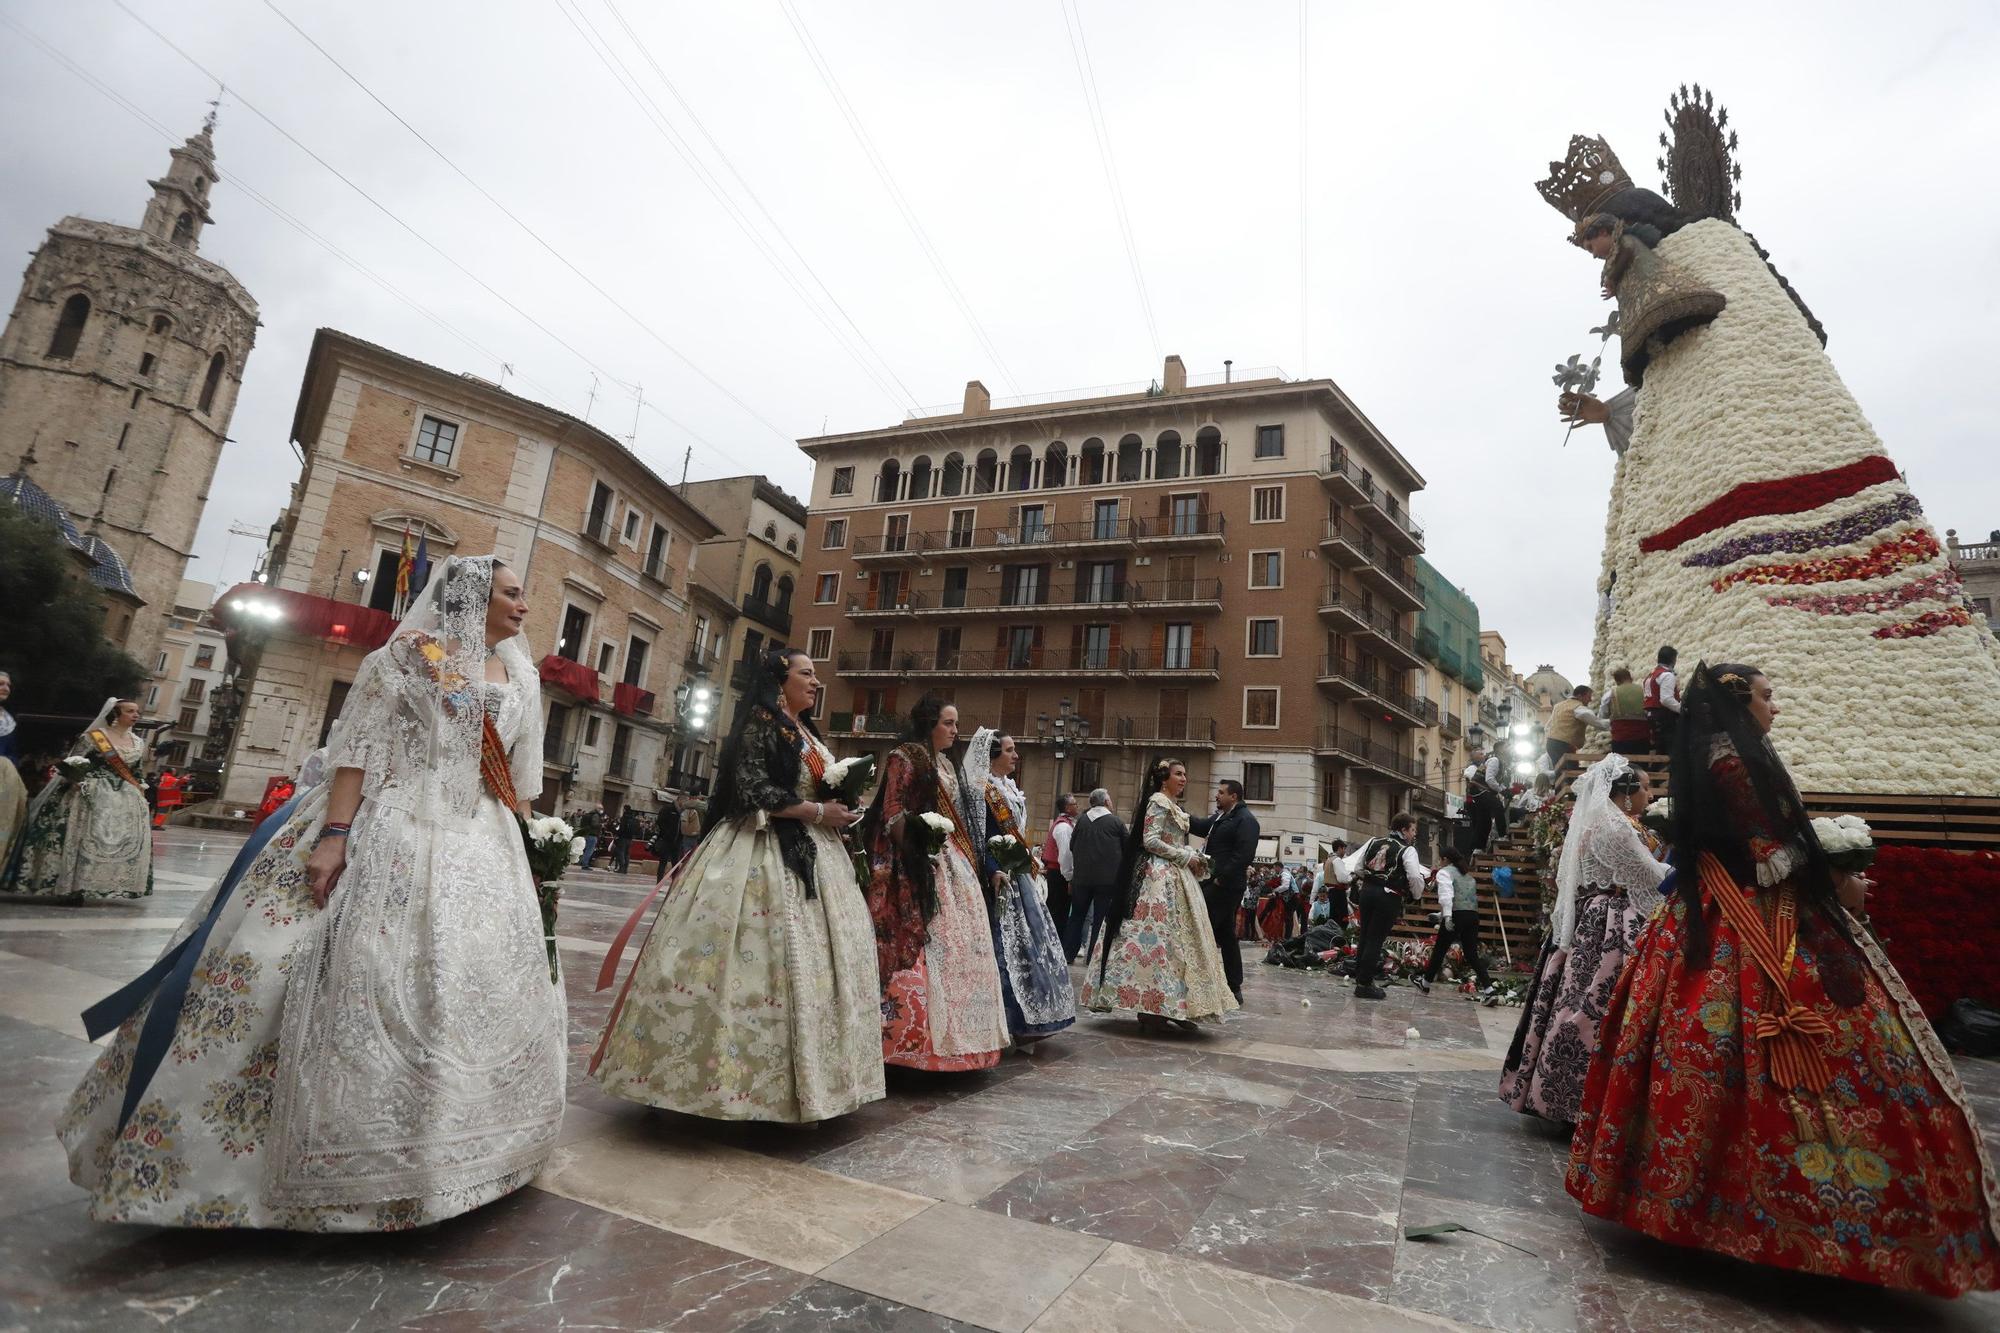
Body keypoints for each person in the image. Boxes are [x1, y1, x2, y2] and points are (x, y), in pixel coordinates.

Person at [58, 555, 566, 1229]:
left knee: (470, 987)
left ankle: (465, 1156)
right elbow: (355, 748)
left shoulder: (522, 674)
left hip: (485, 839)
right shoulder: (409, 656)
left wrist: (535, 854)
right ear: (470, 600)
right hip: (396, 821)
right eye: (511, 593)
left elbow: (521, 782)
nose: (524, 607)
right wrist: (334, 834)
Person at [1567, 664, 1999, 1296]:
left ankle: (1688, 1197)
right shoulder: (1733, 763)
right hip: (1751, 918)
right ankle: (1805, 1215)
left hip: (1704, 914)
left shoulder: (1720, 758)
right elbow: (1769, 857)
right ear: (1740, 702)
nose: (1778, 708)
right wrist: (1836, 872)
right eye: (1769, 696)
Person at [593, 649, 885, 1122]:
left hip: (816, 852)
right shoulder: (761, 722)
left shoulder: (807, 732)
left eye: (815, 676)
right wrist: (816, 812)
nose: (815, 683)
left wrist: (839, 806)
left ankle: (813, 1081)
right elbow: (750, 792)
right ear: (779, 679)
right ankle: (717, 1082)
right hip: (756, 848)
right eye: (806, 674)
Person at [1499, 755, 1666, 1124]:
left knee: (1576, 999)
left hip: (1592, 920)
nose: (1651, 795)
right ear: (1625, 793)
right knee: (1598, 1004)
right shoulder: (1617, 828)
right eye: (1646, 787)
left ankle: (1558, 1095)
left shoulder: (1601, 822)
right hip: (1613, 922)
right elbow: (1652, 875)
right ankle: (1581, 1103)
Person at [858, 697, 1009, 1071]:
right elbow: (893, 811)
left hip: (950, 858)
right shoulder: (905, 757)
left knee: (963, 947)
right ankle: (910, 1046)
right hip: (916, 858)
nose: (955, 731)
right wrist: (915, 851)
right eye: (948, 723)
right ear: (929, 723)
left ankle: (964, 1044)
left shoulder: (945, 762)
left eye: (956, 724)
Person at [1083, 757, 1238, 1033]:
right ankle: (1153, 1006)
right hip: (1156, 879)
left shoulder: (1174, 806)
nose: (1184, 779)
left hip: (1176, 878)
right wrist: (1185, 855)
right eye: (1179, 774)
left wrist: (1191, 857)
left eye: (1185, 774)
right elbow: (1149, 840)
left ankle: (1180, 1005)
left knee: (1179, 943)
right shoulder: (1157, 801)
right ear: (1164, 777)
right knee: (1159, 944)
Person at [966, 729, 1076, 1044]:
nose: (1016, 756)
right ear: (993, 756)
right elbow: (982, 836)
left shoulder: (1009, 788)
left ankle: (1033, 1016)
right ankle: (1010, 1019)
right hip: (999, 874)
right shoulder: (982, 789)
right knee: (1005, 948)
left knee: (1032, 944)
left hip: (1018, 875)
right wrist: (994, 868)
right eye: (1010, 750)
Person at [4, 697, 153, 901]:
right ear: (115, 715)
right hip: (90, 791)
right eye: (130, 711)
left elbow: (135, 770)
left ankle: (103, 882)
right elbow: (76, 762)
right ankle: (72, 886)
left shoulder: (138, 741)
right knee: (81, 838)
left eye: (137, 711)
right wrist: (78, 778)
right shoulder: (95, 737)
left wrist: (140, 786)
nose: (136, 715)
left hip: (125, 795)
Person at [1188, 778, 1259, 1004]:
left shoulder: (1246, 820)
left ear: (1233, 796)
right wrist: (1177, 811)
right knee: (1226, 934)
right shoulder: (1221, 817)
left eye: (1220, 792)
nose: (1216, 796)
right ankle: (1233, 986)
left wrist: (1221, 878)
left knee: (1201, 926)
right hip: (1214, 882)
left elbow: (1244, 855)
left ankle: (1207, 983)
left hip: (1226, 887)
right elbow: (1199, 826)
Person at [1346, 812, 1429, 1000]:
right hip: (1388, 895)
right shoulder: (1407, 850)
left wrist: (1370, 879)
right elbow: (1415, 876)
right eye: (1413, 830)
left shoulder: (1374, 841)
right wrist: (1416, 894)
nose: (1414, 834)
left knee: (1365, 935)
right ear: (1403, 830)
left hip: (1367, 892)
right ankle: (1365, 984)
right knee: (1376, 938)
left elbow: (1359, 867)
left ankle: (1361, 978)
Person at [1417, 848, 1495, 999]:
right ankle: (1489, 989)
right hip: (1472, 916)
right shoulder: (1467, 876)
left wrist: (1446, 917)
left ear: (1445, 859)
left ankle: (1425, 984)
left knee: (1440, 949)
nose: (1439, 863)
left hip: (1455, 916)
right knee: (1472, 954)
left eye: (1440, 859)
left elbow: (1447, 896)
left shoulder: (1445, 872)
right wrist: (1440, 915)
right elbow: (1464, 901)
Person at [1064, 787, 1125, 962]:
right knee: (1100, 920)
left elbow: (1072, 846)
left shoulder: (1081, 821)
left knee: (1076, 916)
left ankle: (1068, 954)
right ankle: (1093, 957)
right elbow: (1126, 847)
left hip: (1081, 879)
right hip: (1107, 880)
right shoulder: (1116, 822)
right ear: (1106, 802)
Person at [0, 671, 27, 876]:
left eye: (8, 685)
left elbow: (13, 752)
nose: (6, 688)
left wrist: (9, 765)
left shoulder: (8, 720)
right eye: (1, 684)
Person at [1544, 684, 1607, 774]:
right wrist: (1612, 723)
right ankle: (1570, 787)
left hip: (1551, 743)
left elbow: (1547, 726)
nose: (1590, 700)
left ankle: (1561, 787)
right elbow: (1597, 722)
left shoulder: (1558, 706)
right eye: (1588, 697)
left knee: (1560, 771)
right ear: (1580, 696)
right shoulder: (1578, 708)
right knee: (1571, 771)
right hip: (1563, 745)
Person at [1042, 792, 1078, 941]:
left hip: (1058, 872)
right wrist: (1069, 877)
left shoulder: (1065, 824)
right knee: (1059, 912)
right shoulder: (1064, 827)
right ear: (1068, 808)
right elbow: (1065, 855)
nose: (1077, 806)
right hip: (1059, 874)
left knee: (1059, 910)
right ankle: (1055, 942)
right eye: (1075, 804)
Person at [1463, 747, 1506, 852]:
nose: (1484, 755)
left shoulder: (1484, 766)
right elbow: (1474, 778)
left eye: (1483, 754)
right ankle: (1501, 835)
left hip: (1480, 796)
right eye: (1480, 754)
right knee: (1482, 820)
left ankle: (1478, 847)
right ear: (1474, 757)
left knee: (1484, 822)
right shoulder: (1472, 767)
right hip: (1475, 798)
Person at [1643, 646, 1680, 758]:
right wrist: (1682, 708)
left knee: (1660, 749)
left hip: (1652, 716)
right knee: (1671, 750)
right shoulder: (1667, 675)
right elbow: (1666, 699)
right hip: (1664, 717)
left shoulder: (1651, 675)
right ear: (1673, 659)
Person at [1604, 667, 1649, 756]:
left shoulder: (1611, 693)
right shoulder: (1642, 690)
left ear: (1616, 681)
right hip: (1642, 737)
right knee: (1641, 766)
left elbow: (1603, 714)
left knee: (1621, 766)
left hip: (1620, 738)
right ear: (1630, 677)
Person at [647, 797, 683, 879]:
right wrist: (666, 833)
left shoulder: (682, 812)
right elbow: (660, 821)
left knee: (675, 864)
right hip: (667, 841)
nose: (684, 803)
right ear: (679, 800)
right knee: (663, 862)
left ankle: (674, 884)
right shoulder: (668, 809)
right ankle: (659, 882)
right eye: (683, 801)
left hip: (677, 842)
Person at [608, 805, 639, 874]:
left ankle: (621, 868)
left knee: (621, 853)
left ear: (624, 809)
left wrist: (616, 833)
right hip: (630, 839)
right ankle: (625, 869)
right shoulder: (633, 818)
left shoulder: (624, 818)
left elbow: (621, 829)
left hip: (623, 838)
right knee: (627, 854)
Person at [575, 803, 603, 871]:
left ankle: (581, 862)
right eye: (601, 808)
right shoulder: (596, 815)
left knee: (584, 850)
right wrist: (601, 825)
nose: (602, 810)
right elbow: (594, 824)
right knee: (589, 851)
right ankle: (585, 864)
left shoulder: (588, 814)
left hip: (586, 834)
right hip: (592, 835)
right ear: (597, 809)